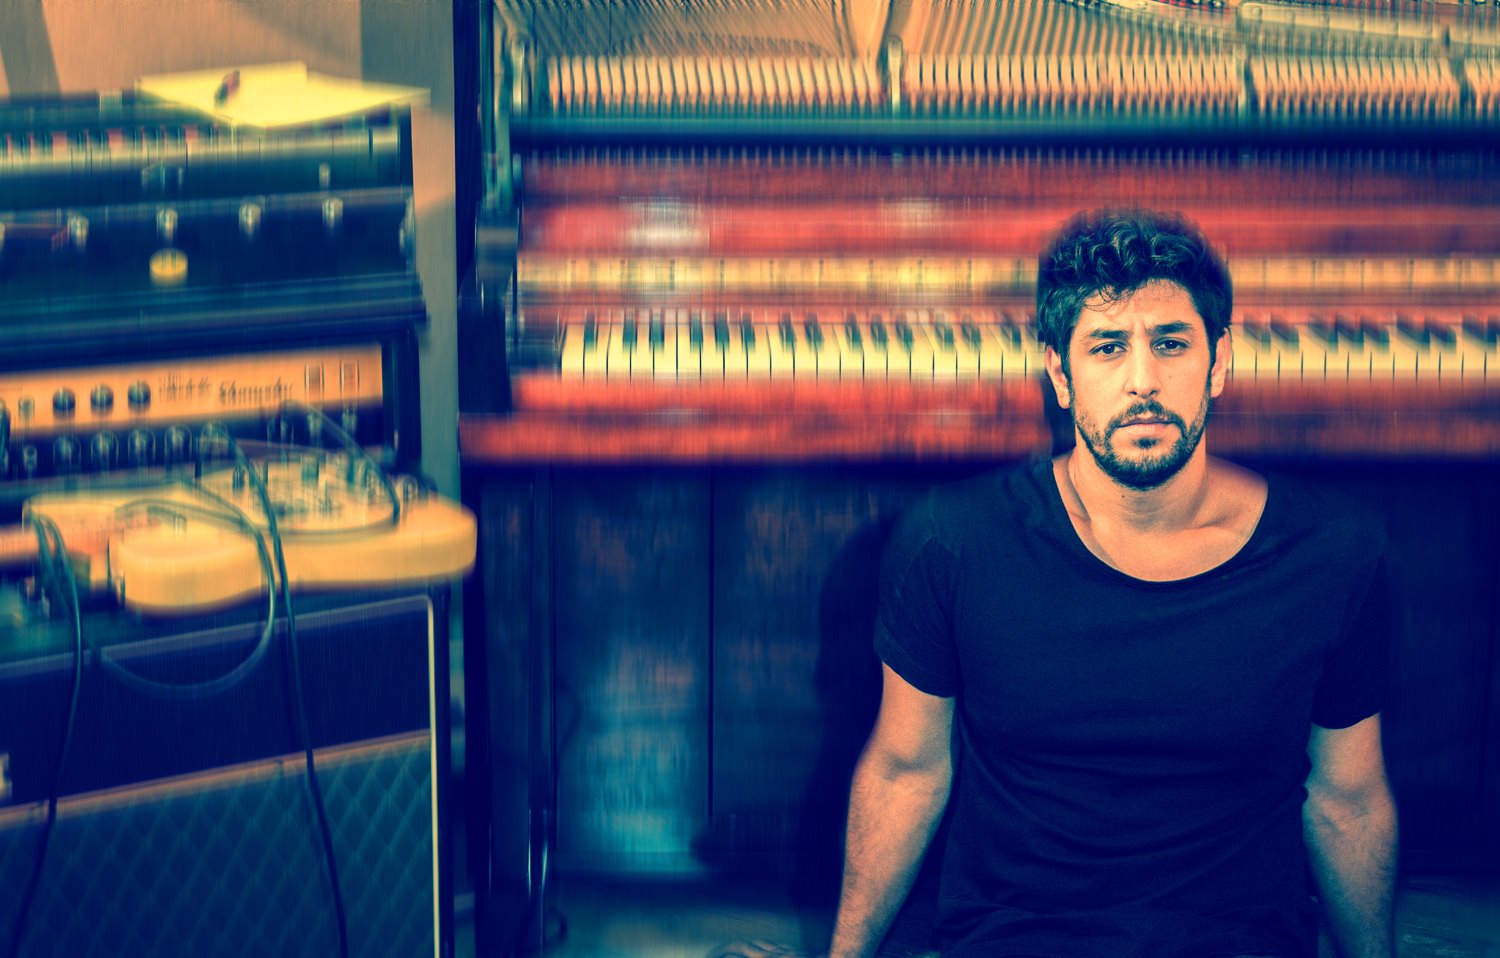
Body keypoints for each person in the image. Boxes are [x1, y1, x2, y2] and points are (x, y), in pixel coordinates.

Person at [825, 210, 1398, 958]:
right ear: (1061, 375)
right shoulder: (953, 540)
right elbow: (907, 771)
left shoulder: (1333, 553)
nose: (1143, 381)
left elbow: (1348, 800)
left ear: (1220, 362)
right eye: (1107, 347)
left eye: (1171, 343)